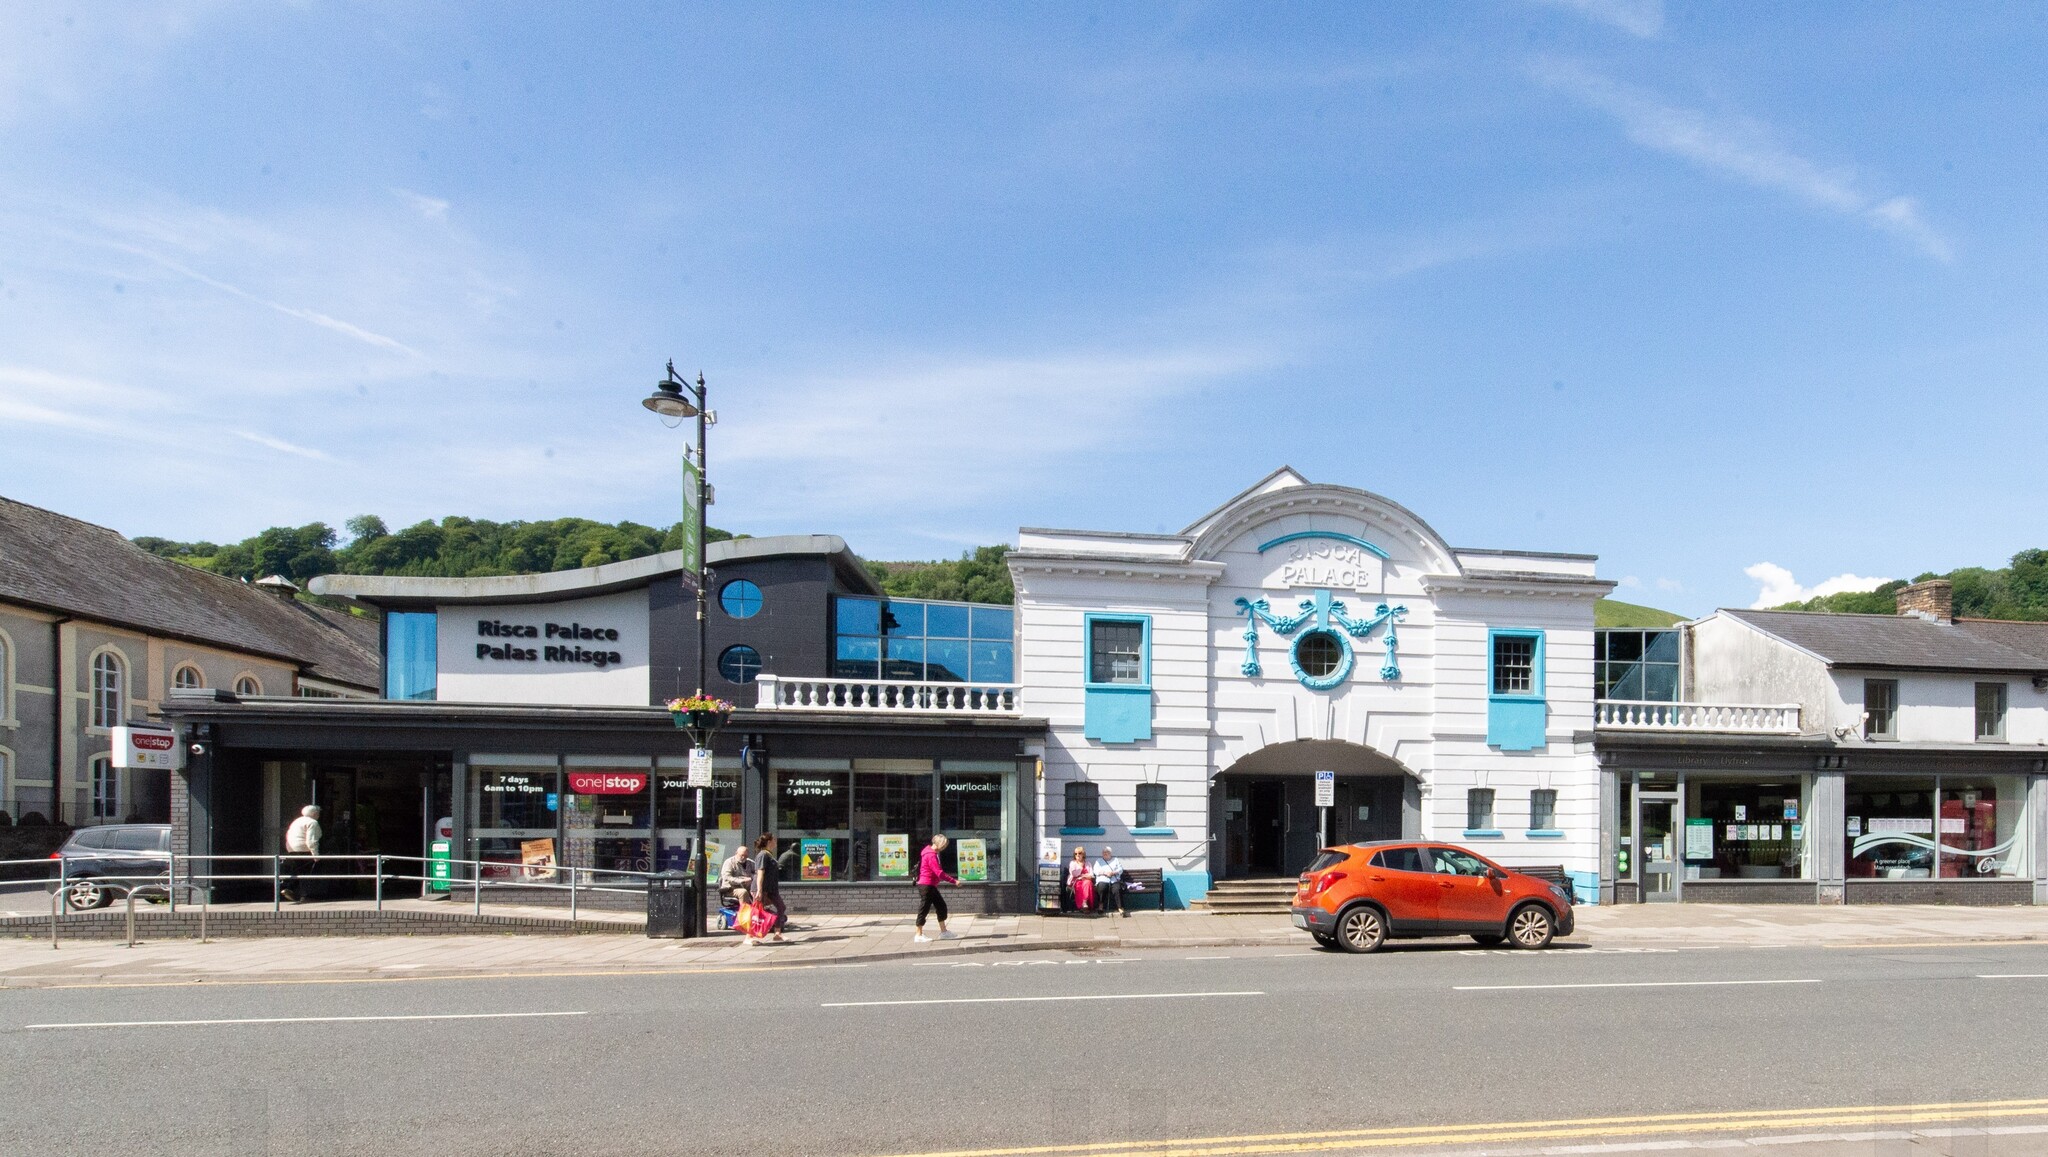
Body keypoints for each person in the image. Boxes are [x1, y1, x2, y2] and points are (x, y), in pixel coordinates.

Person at [913, 833, 959, 943]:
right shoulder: (931, 855)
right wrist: (954, 881)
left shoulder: (930, 852)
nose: (943, 848)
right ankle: (918, 934)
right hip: (926, 885)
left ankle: (944, 932)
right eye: (943, 845)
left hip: (930, 885)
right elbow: (939, 873)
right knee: (924, 909)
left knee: (941, 906)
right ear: (938, 844)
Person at [749, 832, 786, 944]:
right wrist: (759, 890)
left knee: (781, 907)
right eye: (774, 840)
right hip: (762, 888)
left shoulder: (769, 854)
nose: (775, 841)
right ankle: (748, 937)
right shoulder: (762, 855)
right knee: (756, 912)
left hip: (771, 889)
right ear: (769, 842)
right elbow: (760, 872)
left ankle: (778, 934)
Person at [282, 804, 321, 903]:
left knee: (298, 870)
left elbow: (288, 834)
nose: (319, 815)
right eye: (318, 813)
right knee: (306, 873)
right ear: (314, 813)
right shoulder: (313, 823)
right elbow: (311, 840)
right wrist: (315, 855)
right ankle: (304, 896)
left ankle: (289, 887)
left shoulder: (296, 821)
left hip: (292, 849)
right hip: (304, 850)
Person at [719, 844, 754, 926]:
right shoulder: (729, 862)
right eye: (742, 855)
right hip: (731, 888)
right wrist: (741, 880)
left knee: (759, 890)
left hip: (748, 886)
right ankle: (744, 918)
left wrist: (751, 878)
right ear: (736, 853)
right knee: (743, 892)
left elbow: (757, 873)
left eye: (745, 855)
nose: (743, 857)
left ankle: (760, 914)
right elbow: (726, 877)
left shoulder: (750, 862)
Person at [1091, 846, 1125, 916]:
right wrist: (1104, 873)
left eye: (1107, 852)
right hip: (1103, 879)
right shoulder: (1099, 861)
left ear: (1110, 853)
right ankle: (1101, 906)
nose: (1105, 854)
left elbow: (1120, 869)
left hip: (1114, 880)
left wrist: (1113, 873)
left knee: (1117, 889)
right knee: (1101, 887)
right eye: (1104, 852)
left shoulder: (1115, 860)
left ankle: (1120, 907)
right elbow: (1095, 871)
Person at [1065, 846, 1094, 913]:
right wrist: (1081, 867)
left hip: (1086, 880)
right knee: (1083, 884)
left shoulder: (1088, 863)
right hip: (1076, 881)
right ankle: (1084, 904)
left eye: (1079, 853)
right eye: (1076, 853)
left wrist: (1084, 876)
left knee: (1088, 883)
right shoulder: (1073, 863)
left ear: (1083, 854)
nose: (1077, 855)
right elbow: (1074, 874)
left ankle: (1084, 903)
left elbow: (1091, 875)